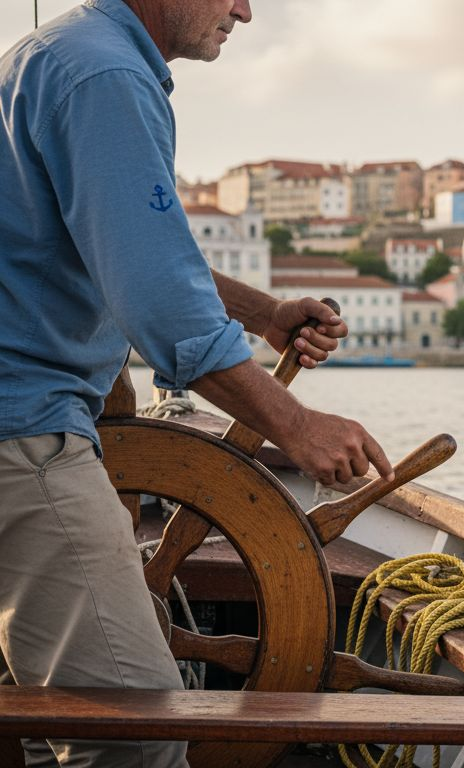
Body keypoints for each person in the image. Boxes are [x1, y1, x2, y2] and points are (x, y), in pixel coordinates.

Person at [0, 1, 393, 765]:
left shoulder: (58, 55)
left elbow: (119, 245)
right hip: (24, 430)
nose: (245, 10)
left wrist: (264, 313)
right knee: (133, 739)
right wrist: (297, 426)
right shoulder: (105, 75)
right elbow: (157, 298)